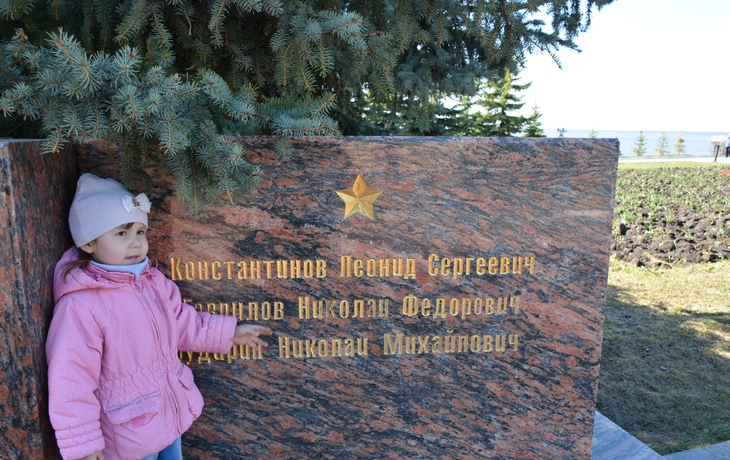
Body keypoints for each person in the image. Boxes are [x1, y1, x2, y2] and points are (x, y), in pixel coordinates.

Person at [46, 173, 273, 460]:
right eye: (122, 233)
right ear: (89, 243)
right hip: (128, 437)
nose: (135, 243)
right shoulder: (81, 306)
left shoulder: (152, 282)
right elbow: (71, 379)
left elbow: (180, 321)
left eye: (140, 232)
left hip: (166, 419)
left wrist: (227, 333)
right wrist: (85, 446)